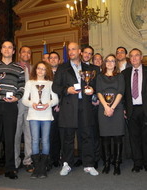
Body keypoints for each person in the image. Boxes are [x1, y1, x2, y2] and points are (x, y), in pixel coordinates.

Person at [52, 42, 100, 176]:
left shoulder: (89, 68)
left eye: (74, 49)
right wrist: (67, 89)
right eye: (69, 50)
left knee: (87, 135)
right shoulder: (62, 68)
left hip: (85, 105)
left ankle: (89, 164)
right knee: (67, 137)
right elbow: (55, 87)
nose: (71, 51)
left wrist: (93, 90)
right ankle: (66, 164)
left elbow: (96, 85)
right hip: (68, 106)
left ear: (80, 51)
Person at [0, 40, 25, 182]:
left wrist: (16, 98)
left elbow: (22, 87)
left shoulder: (19, 69)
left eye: (10, 48)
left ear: (14, 51)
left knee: (10, 139)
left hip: (10, 106)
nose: (7, 50)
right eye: (4, 47)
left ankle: (10, 169)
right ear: (1, 50)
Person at [22, 61, 58, 178]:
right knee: (35, 140)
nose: (40, 71)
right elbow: (24, 100)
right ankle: (37, 167)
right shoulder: (29, 83)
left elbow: (56, 99)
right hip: (33, 115)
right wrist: (32, 104)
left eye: (43, 69)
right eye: (38, 68)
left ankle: (43, 167)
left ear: (46, 70)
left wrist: (48, 104)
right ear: (35, 70)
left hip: (46, 115)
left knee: (46, 140)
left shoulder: (50, 83)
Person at [122, 48, 147, 174]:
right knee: (134, 138)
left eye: (137, 55)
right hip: (131, 109)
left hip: (146, 109)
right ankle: (137, 163)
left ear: (141, 57)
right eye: (132, 56)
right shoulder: (125, 73)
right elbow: (122, 92)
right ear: (129, 58)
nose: (134, 58)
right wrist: (124, 108)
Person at [96, 54, 125, 175]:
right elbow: (98, 92)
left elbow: (120, 92)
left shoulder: (120, 76)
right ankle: (107, 163)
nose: (109, 63)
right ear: (104, 63)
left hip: (117, 108)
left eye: (112, 61)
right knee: (105, 137)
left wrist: (112, 107)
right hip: (103, 109)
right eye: (107, 61)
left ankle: (117, 164)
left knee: (118, 137)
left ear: (115, 63)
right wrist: (106, 107)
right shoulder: (99, 76)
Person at [74, 45, 101, 169]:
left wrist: (94, 95)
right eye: (85, 53)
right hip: (78, 104)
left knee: (92, 132)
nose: (87, 55)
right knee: (80, 132)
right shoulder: (76, 67)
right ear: (81, 53)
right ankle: (81, 157)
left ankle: (94, 158)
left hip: (92, 105)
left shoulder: (95, 69)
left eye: (90, 54)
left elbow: (98, 86)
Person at [14, 46, 33, 173]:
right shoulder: (14, 67)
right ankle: (15, 162)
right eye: (24, 52)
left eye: (29, 52)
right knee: (16, 133)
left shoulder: (33, 69)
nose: (26, 54)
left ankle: (28, 161)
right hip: (17, 102)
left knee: (29, 134)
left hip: (31, 104)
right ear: (19, 54)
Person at [48, 51, 62, 168]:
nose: (53, 60)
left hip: (61, 108)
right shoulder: (45, 74)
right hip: (47, 108)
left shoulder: (63, 73)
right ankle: (51, 158)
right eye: (51, 58)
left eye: (55, 58)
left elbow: (64, 89)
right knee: (50, 134)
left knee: (60, 133)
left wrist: (59, 104)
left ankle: (58, 158)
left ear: (59, 60)